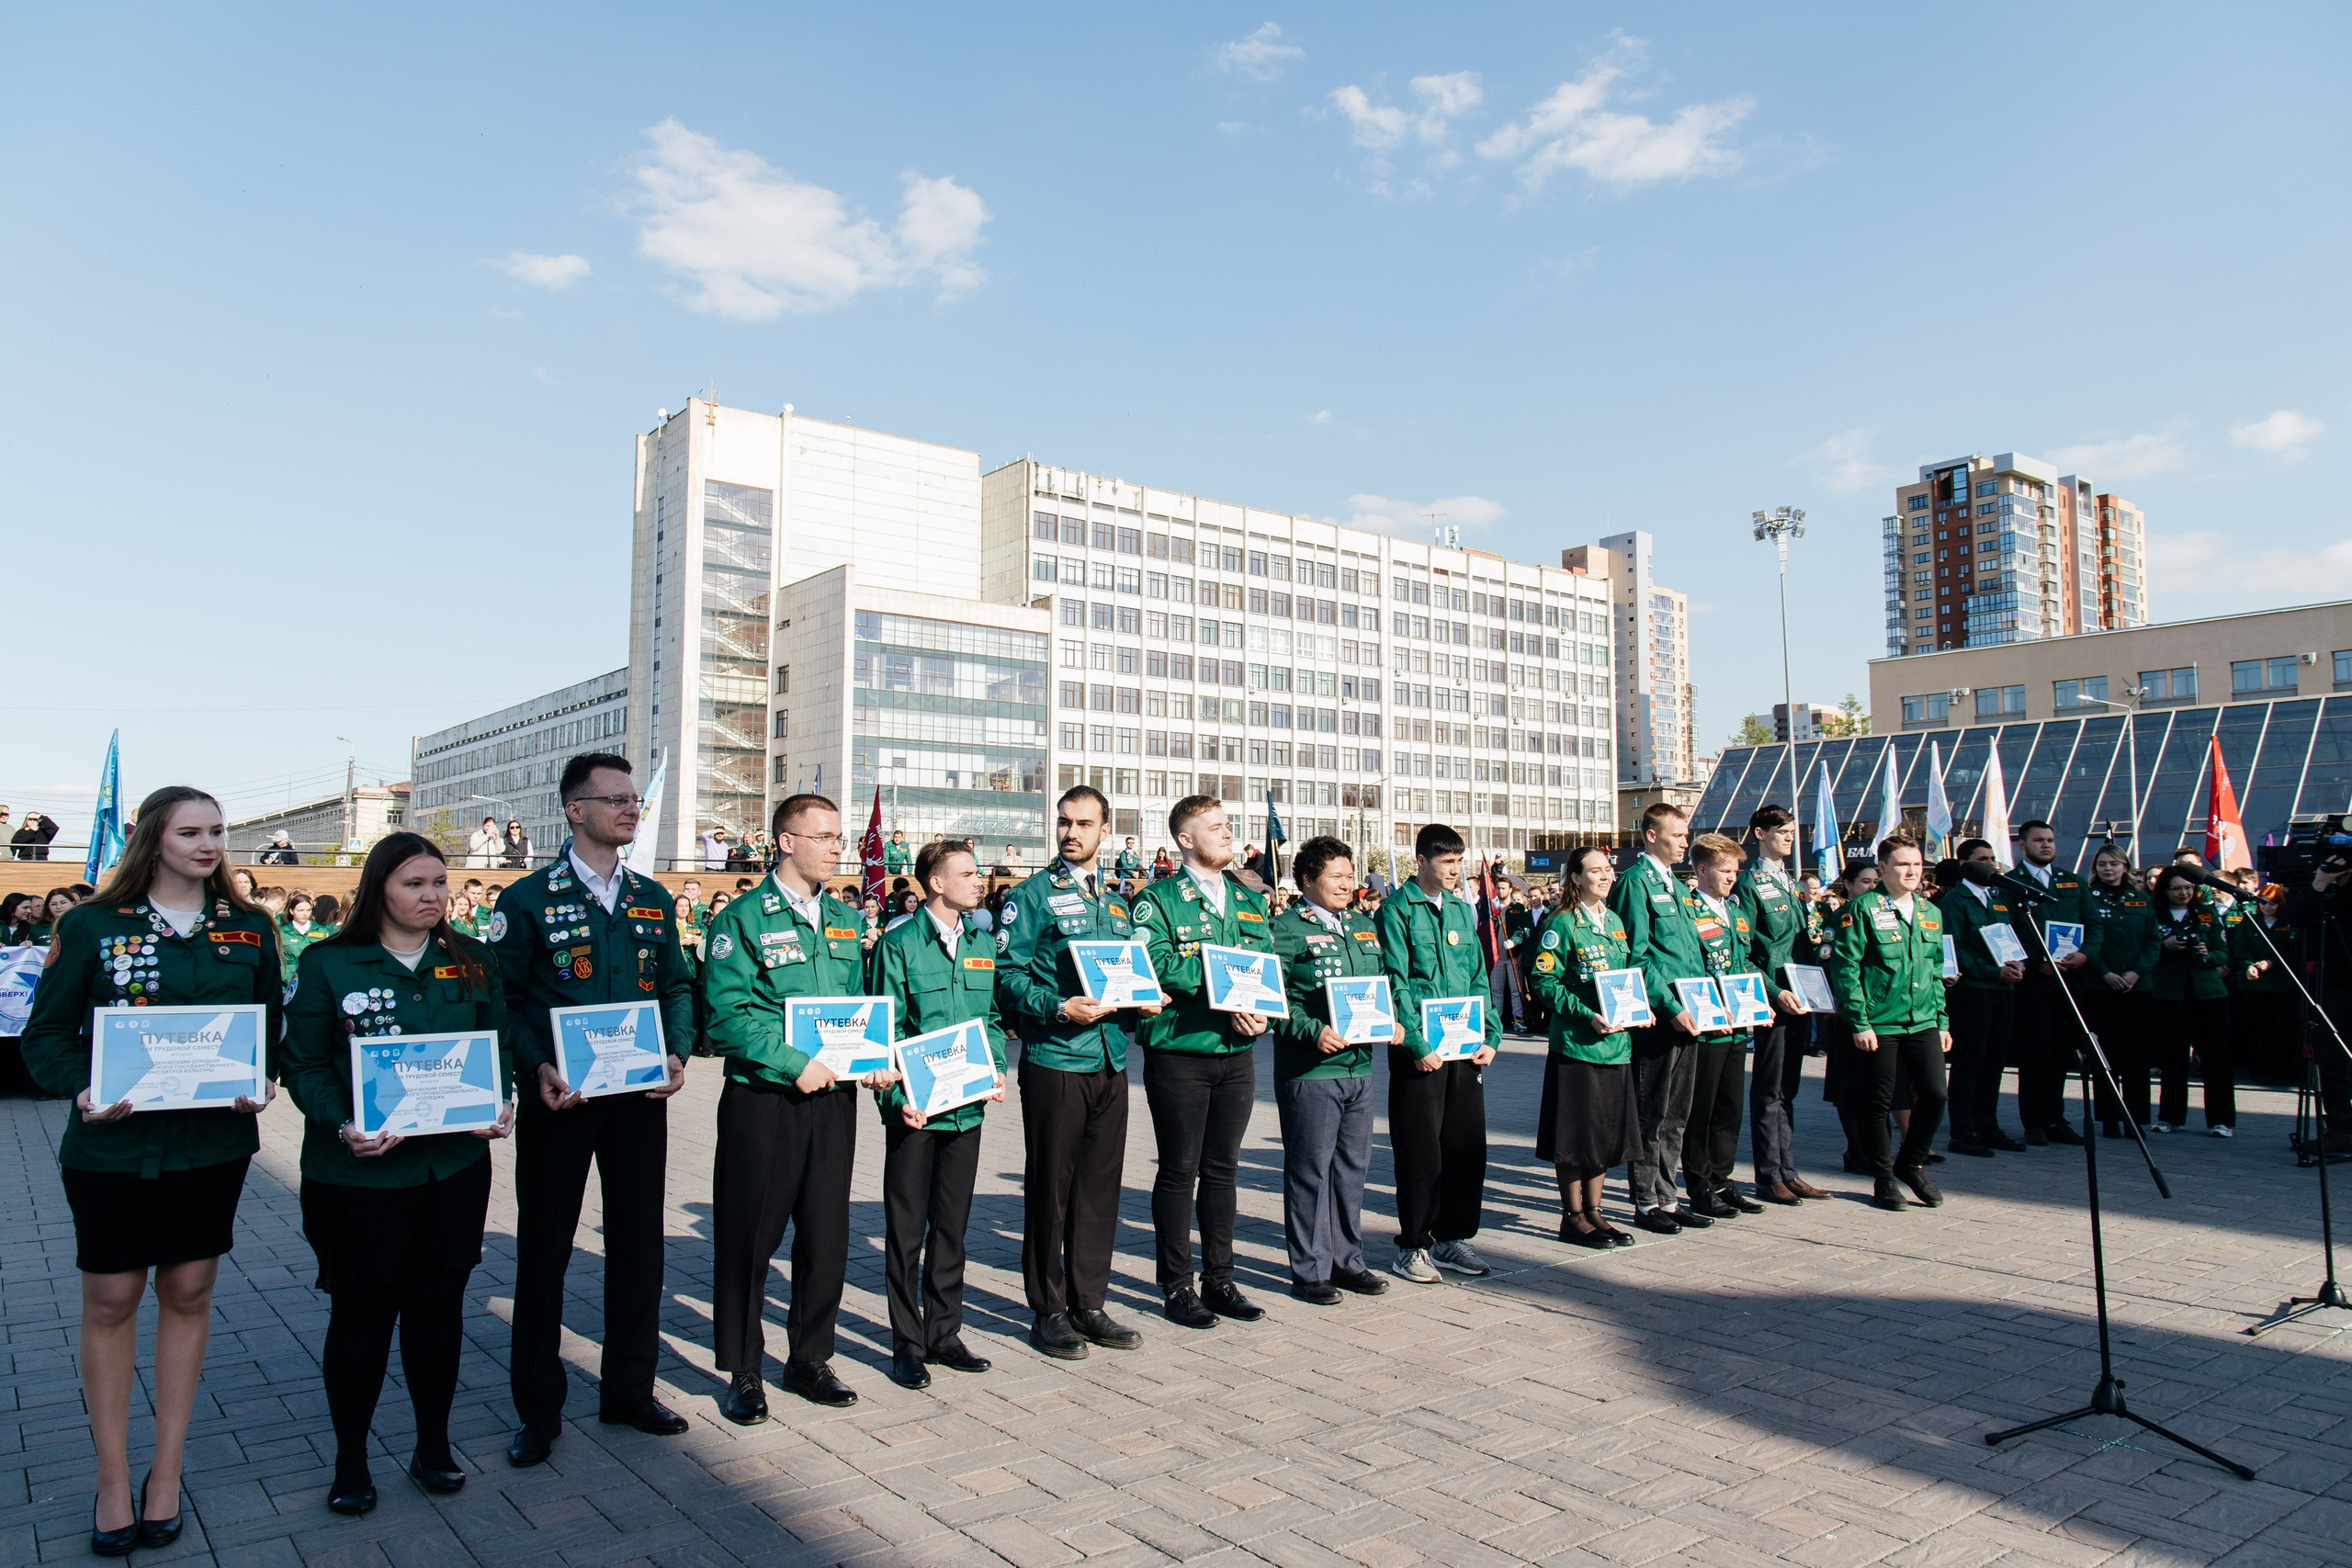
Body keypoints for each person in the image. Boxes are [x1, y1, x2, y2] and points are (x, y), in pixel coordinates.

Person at [20, 785, 282, 1553]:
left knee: (190, 1289)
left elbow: (265, 1025)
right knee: (110, 1297)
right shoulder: (93, 925)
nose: (209, 844)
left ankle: (164, 1471)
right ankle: (111, 1474)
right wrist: (83, 1088)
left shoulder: (250, 928)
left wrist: (261, 1076)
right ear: (151, 839)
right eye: (190, 831)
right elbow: (48, 1034)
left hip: (211, 1146)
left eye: (218, 831)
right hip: (112, 1148)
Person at [280, 832, 513, 1514]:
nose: (432, 895)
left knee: (438, 1312)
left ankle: (432, 1444)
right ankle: (351, 1459)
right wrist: (340, 1123)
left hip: (452, 1170)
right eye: (415, 883)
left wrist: (503, 1103)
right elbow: (304, 1065)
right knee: (361, 1316)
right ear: (380, 886)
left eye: (440, 882)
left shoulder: (472, 960)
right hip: (359, 1177)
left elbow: (495, 1049)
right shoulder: (330, 963)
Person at [488, 752, 696, 1466]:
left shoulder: (650, 898)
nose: (631, 809)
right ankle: (538, 1410)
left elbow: (676, 986)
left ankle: (629, 1390)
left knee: (639, 1245)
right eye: (615, 799)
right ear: (575, 810)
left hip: (638, 1099)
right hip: (562, 1099)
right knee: (544, 1252)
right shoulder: (526, 902)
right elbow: (504, 1005)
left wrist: (677, 1052)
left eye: (634, 799)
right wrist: (535, 1066)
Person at [705, 793, 889, 1416]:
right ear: (785, 841)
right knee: (749, 1236)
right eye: (826, 836)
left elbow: (857, 1005)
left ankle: (810, 1357)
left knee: (825, 1231)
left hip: (833, 1099)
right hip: (767, 1099)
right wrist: (794, 1063)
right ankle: (744, 1368)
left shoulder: (841, 917)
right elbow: (726, 1017)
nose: (839, 846)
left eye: (840, 836)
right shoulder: (742, 919)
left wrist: (872, 1057)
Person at [995, 786, 1160, 1359]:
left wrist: (1144, 999)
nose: (1071, 832)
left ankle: (1090, 1301)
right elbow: (1007, 975)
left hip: (1112, 1060)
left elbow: (1123, 978)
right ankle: (1048, 1308)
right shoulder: (1030, 897)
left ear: (1104, 830)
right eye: (1064, 822)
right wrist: (1057, 1007)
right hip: (1057, 1060)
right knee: (1051, 1189)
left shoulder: (1116, 903)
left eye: (1084, 824)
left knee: (1098, 1190)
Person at [869, 839, 1007, 1389]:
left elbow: (991, 1016)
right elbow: (885, 1031)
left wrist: (996, 1067)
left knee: (951, 1227)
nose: (979, 882)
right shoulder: (899, 944)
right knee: (906, 1231)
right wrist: (897, 1100)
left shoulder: (981, 941)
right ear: (937, 883)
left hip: (966, 1111)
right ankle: (906, 1342)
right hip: (916, 1112)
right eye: (968, 874)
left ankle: (944, 1333)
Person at [1133, 796, 1273, 1330]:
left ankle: (1221, 1278)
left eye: (1228, 824)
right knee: (1178, 1170)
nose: (1226, 832)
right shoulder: (1160, 899)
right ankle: (1176, 1284)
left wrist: (1262, 1013)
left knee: (1223, 1171)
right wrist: (1226, 993)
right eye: (1214, 827)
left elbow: (1267, 971)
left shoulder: (1249, 901)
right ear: (1186, 840)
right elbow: (1155, 963)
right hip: (1180, 1052)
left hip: (1237, 1055)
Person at [1266, 835, 1398, 1302]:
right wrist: (1310, 1030)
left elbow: (1380, 986)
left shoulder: (1362, 925)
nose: (1347, 885)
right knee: (1310, 1171)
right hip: (1312, 1071)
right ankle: (1310, 1270)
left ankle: (1349, 1261)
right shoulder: (1283, 929)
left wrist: (1393, 1022)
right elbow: (1274, 999)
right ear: (1307, 880)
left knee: (1352, 1169)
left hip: (1359, 1068)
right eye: (1336, 876)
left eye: (1350, 876)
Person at [1376, 822, 1499, 1281]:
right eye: (1446, 862)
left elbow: (1478, 978)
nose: (1454, 871)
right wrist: (1416, 1044)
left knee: (1466, 1147)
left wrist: (1491, 1034)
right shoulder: (1397, 910)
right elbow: (1395, 982)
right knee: (1419, 1150)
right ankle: (1413, 1246)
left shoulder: (1459, 909)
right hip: (1421, 1053)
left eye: (1458, 862)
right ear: (1422, 860)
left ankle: (1453, 1239)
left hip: (1465, 1050)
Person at [1526, 845, 1641, 1249]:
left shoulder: (1613, 921)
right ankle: (1572, 1216)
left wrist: (1639, 1008)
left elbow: (1625, 978)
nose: (1606, 876)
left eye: (1608, 870)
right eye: (1595, 871)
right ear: (1575, 878)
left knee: (1605, 1134)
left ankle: (1595, 1211)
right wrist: (1586, 1014)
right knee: (1576, 1137)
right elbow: (1544, 983)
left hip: (1617, 1045)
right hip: (1579, 1046)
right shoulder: (1561, 924)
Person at [1609, 803, 1713, 1235]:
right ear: (1652, 836)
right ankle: (1645, 1199)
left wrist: (1707, 1003)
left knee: (1677, 1112)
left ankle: (1669, 1197)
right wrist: (1671, 1007)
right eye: (1677, 834)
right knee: (1652, 1111)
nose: (1685, 842)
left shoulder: (1679, 887)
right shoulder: (1636, 883)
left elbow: (1693, 955)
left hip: (1690, 1013)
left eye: (1686, 834)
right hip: (1661, 1017)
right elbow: (1637, 957)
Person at [1830, 835, 1951, 1210]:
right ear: (1882, 869)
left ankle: (1910, 1162)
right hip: (1880, 1023)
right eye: (1902, 864)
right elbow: (1846, 968)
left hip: (1923, 1021)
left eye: (1916, 864)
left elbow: (1935, 970)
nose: (1912, 871)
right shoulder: (1862, 909)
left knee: (1935, 1094)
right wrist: (1859, 1022)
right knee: (1878, 1103)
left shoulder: (1930, 912)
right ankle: (1883, 1178)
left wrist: (1942, 1020)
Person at [1737, 806, 1828, 1205]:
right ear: (1760, 833)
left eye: (1793, 831)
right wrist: (1775, 993)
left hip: (1801, 997)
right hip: (1775, 999)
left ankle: (1788, 1170)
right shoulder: (1750, 884)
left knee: (1788, 1088)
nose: (1790, 837)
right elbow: (1748, 953)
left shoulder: (1789, 882)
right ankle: (1768, 1174)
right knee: (1769, 1088)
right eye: (1782, 831)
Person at [2004, 821, 2100, 1146]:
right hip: (2035, 980)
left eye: (2050, 840)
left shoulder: (2072, 882)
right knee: (2036, 1049)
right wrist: (2036, 963)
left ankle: (2055, 1118)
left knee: (2061, 1049)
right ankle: (2034, 1122)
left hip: (2070, 977)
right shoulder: (2011, 884)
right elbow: (2007, 930)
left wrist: (2085, 955)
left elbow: (2094, 924)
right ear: (2022, 844)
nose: (2046, 845)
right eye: (2038, 840)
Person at [1937, 838, 2027, 1155]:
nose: (1990, 864)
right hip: (1973, 992)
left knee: (1994, 1063)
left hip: (2003, 989)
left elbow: (2010, 938)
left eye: (1992, 858)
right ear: (1964, 865)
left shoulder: (2000, 898)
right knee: (1969, 1064)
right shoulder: (1955, 901)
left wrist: (2017, 963)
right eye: (1982, 859)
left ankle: (1988, 1127)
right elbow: (1953, 948)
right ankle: (1962, 1132)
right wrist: (1991, 972)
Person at [2148, 865, 2235, 1134]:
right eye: (2177, 888)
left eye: (2188, 888)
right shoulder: (2153, 915)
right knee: (2173, 1057)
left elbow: (2224, 952)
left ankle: (2221, 1120)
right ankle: (2170, 1116)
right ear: (2165, 890)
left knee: (2216, 1058)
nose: (2184, 893)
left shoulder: (2207, 913)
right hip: (2170, 994)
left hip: (2207, 993)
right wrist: (2165, 946)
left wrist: (2207, 954)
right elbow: (2144, 949)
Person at [2086, 845, 2157, 1135]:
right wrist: (2105, 972)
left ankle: (2137, 1118)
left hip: (2137, 987)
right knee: (2106, 1055)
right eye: (2102, 864)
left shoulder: (2141, 900)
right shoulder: (2088, 899)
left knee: (2137, 1055)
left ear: (2125, 867)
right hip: (2100, 985)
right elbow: (2087, 941)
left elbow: (2153, 942)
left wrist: (2135, 972)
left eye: (2114, 864)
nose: (2108, 869)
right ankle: (2110, 1118)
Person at [278, 892, 331, 983]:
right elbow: (280, 961)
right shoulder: (282, 932)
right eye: (301, 910)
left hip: (316, 981)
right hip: (289, 982)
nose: (305, 914)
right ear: (291, 911)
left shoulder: (322, 931)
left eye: (308, 910)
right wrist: (291, 982)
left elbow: (327, 958)